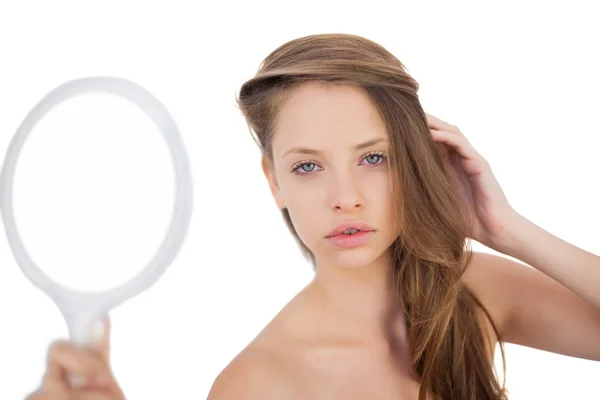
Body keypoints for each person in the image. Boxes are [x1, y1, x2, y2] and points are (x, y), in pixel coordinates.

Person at [28, 33, 600, 400]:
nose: (345, 197)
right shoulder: (255, 384)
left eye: (373, 158)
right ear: (273, 180)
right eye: (307, 168)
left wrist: (508, 230)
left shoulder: (472, 290)